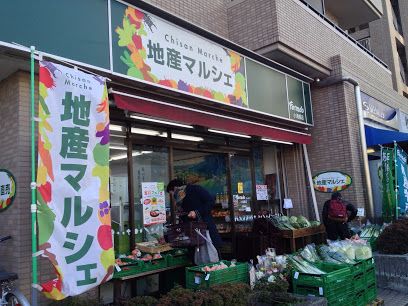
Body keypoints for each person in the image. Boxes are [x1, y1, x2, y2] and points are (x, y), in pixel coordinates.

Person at [166, 178, 222, 258]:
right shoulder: (180, 200)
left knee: (212, 257)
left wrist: (196, 212)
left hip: (205, 229)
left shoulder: (195, 189)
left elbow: (210, 201)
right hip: (191, 235)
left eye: (172, 194)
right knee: (196, 259)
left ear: (175, 188)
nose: (173, 197)